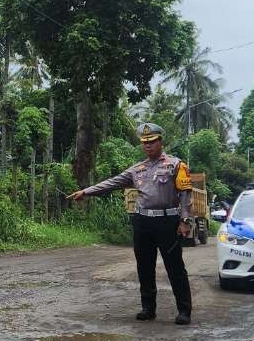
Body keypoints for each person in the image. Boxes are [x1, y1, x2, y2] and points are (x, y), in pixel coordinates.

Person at [69, 122, 194, 324]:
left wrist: (185, 220)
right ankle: (148, 308)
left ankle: (184, 310)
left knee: (175, 267)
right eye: (145, 143)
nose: (148, 146)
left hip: (167, 221)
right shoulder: (137, 170)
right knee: (144, 267)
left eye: (152, 142)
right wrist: (86, 191)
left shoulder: (176, 164)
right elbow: (112, 182)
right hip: (142, 221)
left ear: (161, 142)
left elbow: (185, 194)